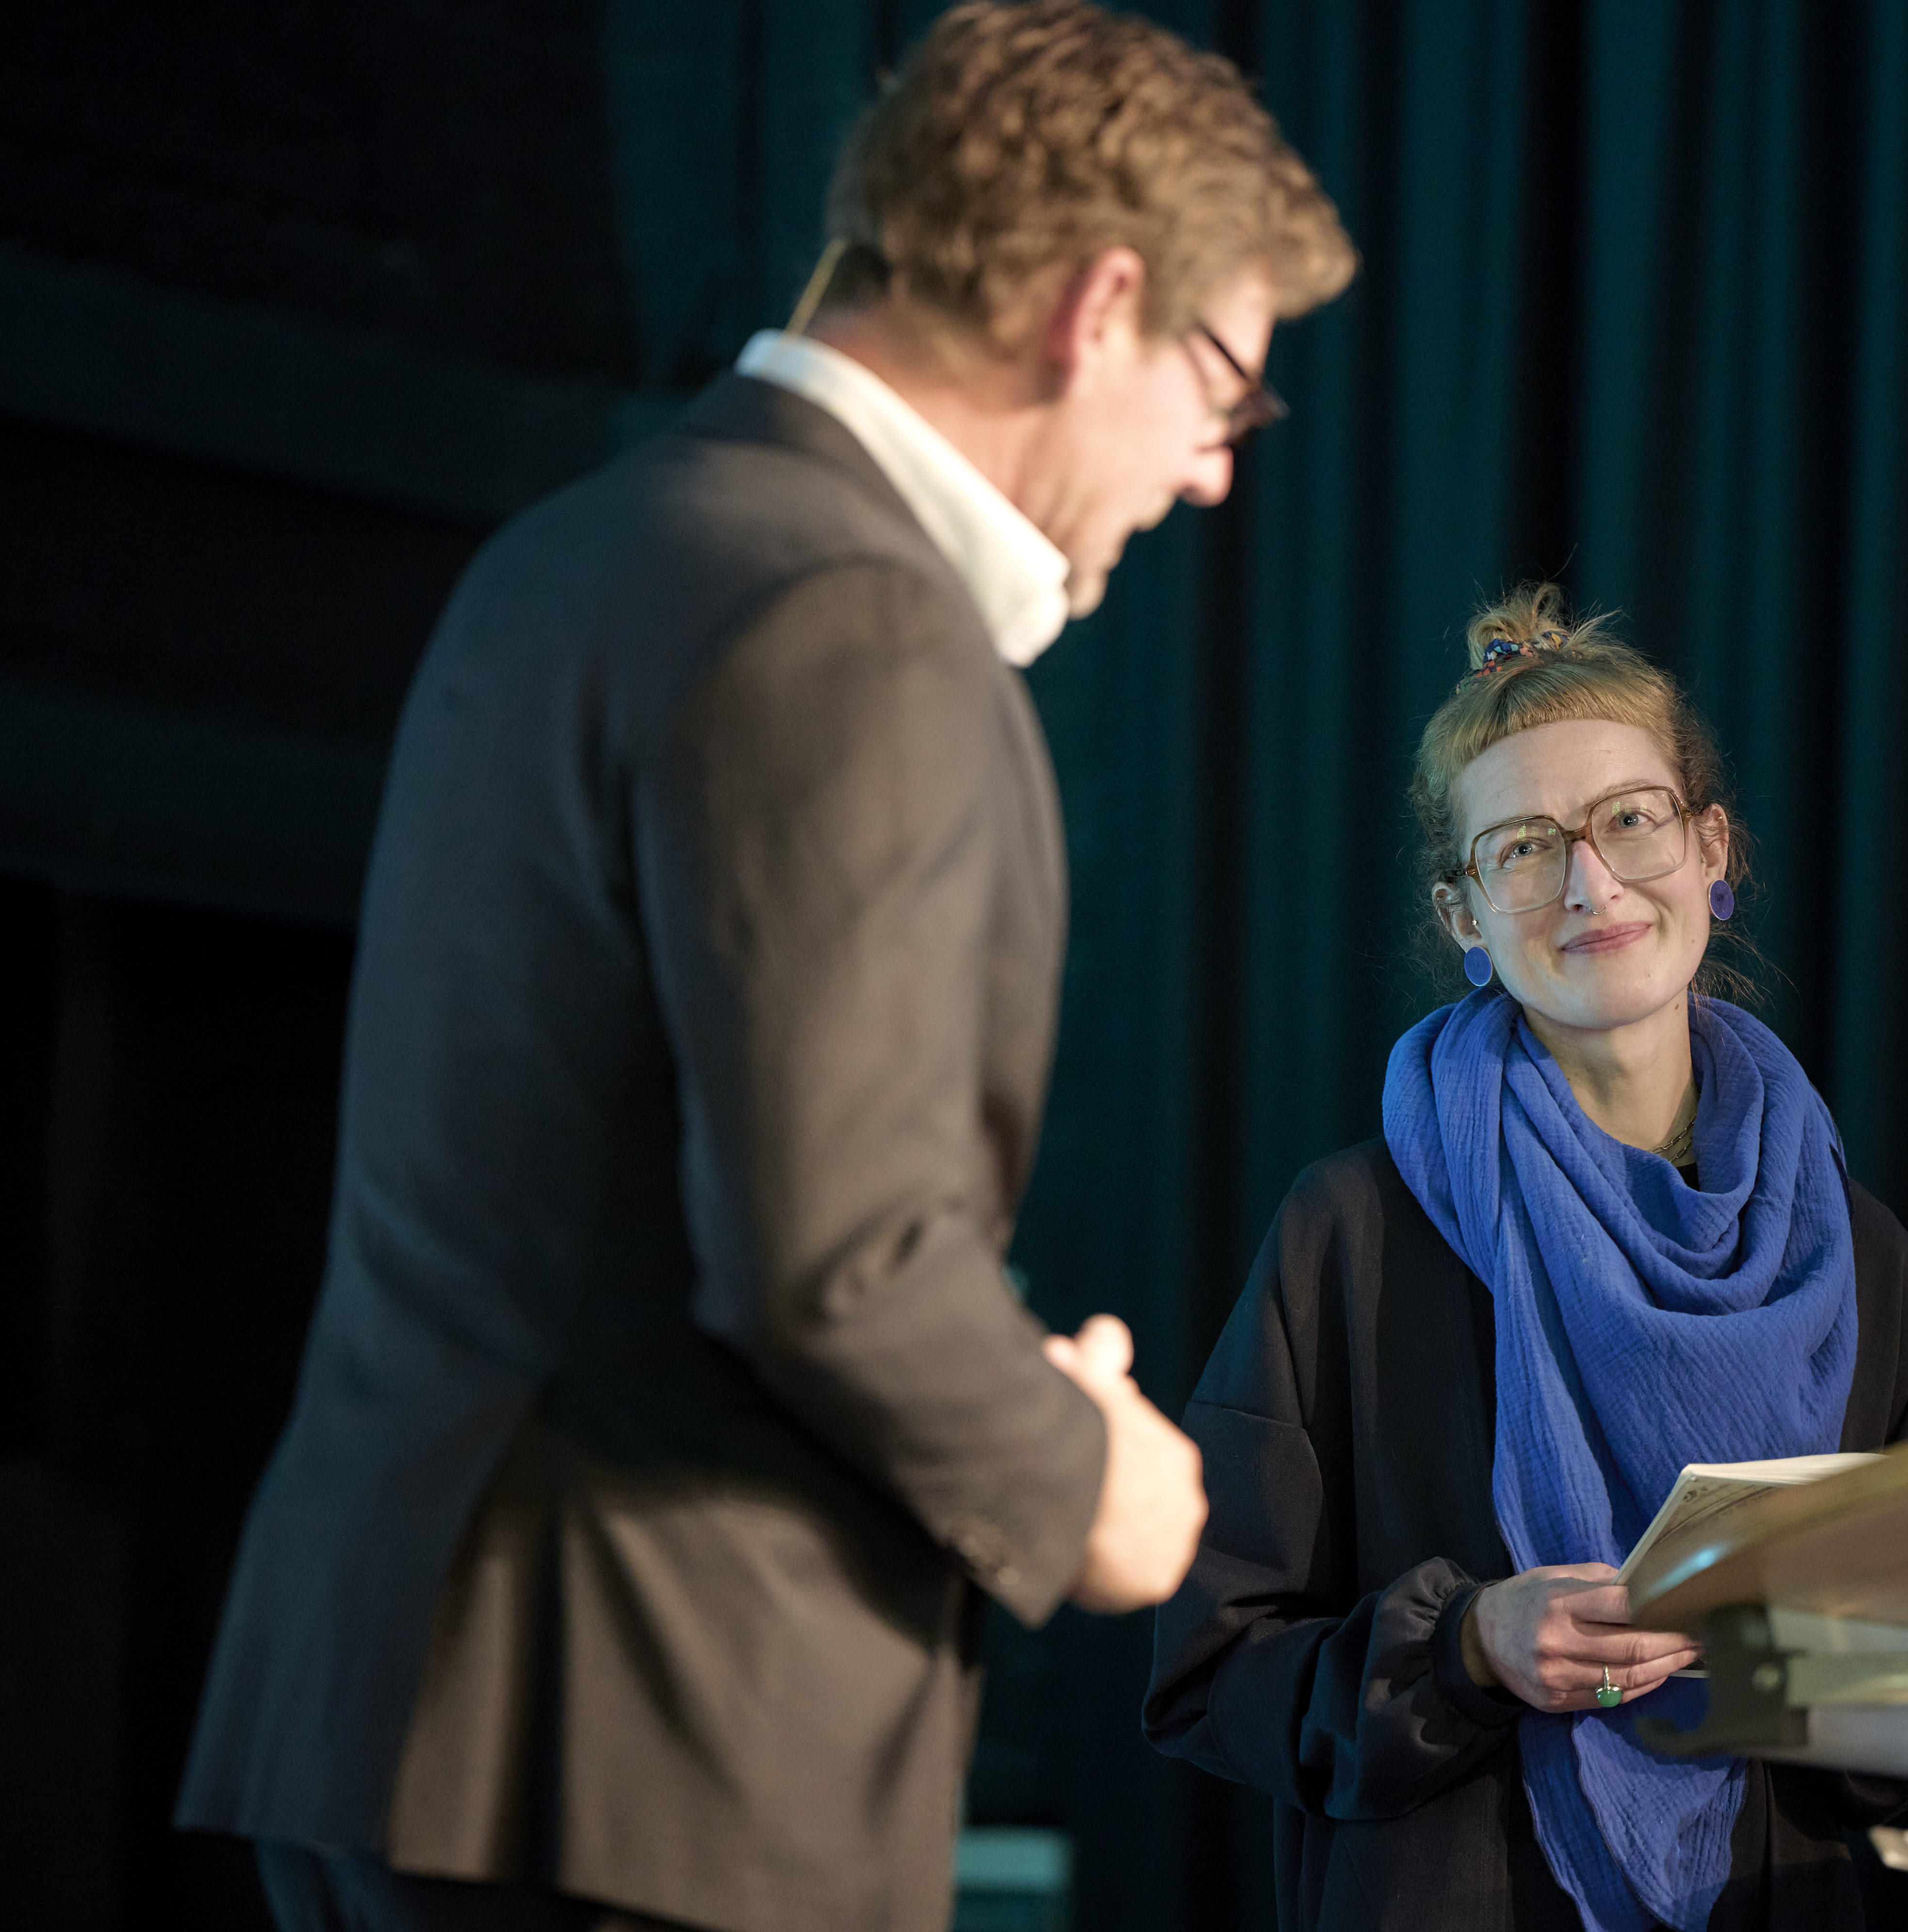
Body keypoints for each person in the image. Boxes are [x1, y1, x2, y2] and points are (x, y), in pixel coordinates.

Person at [175, 7, 1355, 1930]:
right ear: (1098, 306)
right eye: (1225, 386)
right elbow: (838, 1265)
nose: (1215, 471)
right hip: (632, 1753)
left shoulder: (581, 547)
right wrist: (1091, 1478)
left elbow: (634, 1195)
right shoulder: (855, 616)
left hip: (399, 1708)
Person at [1145, 586, 1908, 1932]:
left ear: (1711, 846)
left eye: (1630, 820)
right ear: (1464, 914)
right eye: (1523, 849)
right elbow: (1210, 1673)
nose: (1591, 884)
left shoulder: (1861, 1258)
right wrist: (1466, 1649)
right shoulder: (1353, 1233)